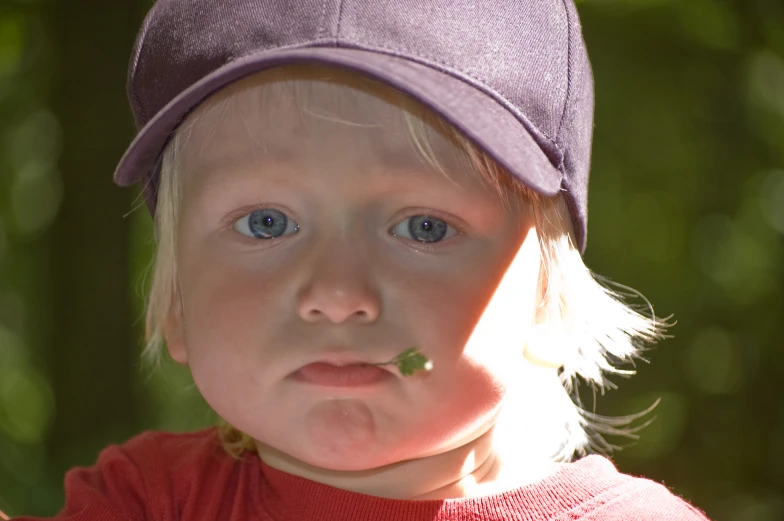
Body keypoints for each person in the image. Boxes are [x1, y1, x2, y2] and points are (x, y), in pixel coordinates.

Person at [14, 0, 712, 519]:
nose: (339, 293)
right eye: (267, 223)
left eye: (424, 227)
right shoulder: (146, 502)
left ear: (548, 300)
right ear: (175, 304)